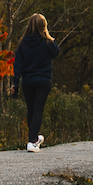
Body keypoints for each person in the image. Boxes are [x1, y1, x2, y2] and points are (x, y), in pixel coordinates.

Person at [11, 13, 59, 152]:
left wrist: (15, 82)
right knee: (38, 109)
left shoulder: (23, 43)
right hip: (43, 80)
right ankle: (32, 141)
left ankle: (34, 138)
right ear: (44, 26)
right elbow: (55, 53)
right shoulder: (48, 42)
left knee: (31, 109)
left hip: (28, 81)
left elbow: (18, 64)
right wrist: (51, 38)